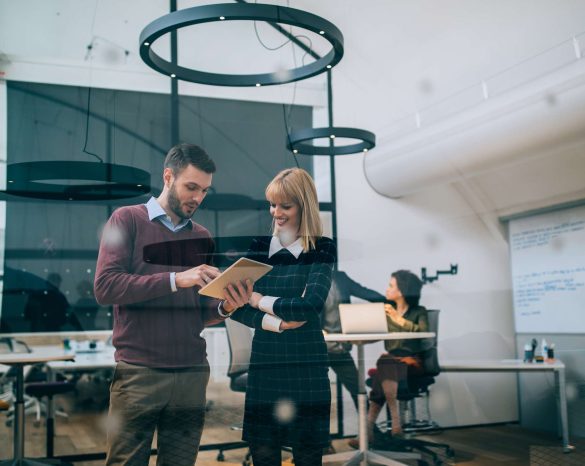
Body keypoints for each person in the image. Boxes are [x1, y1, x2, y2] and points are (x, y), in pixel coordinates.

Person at [94, 143, 252, 466]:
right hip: (139, 374)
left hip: (192, 375)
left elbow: (200, 311)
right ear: (168, 176)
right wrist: (176, 279)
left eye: (205, 190)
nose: (198, 197)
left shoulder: (203, 237)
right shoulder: (127, 220)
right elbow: (105, 287)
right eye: (191, 187)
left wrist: (226, 307)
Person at [229, 168, 336, 466]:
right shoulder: (259, 248)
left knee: (308, 454)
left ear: (304, 206)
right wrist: (275, 320)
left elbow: (309, 306)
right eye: (273, 204)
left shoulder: (322, 248)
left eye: (285, 206)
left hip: (307, 367)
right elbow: (234, 305)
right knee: (263, 453)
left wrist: (259, 299)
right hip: (267, 364)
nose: (276, 212)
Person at [349, 270, 427, 448]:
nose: (387, 289)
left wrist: (397, 318)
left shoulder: (419, 312)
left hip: (412, 362)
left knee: (384, 365)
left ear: (401, 291)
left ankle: (368, 431)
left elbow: (422, 333)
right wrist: (358, 340)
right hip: (392, 363)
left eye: (391, 286)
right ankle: (392, 426)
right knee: (385, 363)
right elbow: (380, 334)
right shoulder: (387, 312)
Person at [323, 271, 385, 410]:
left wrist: (391, 302)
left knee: (358, 390)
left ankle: (369, 429)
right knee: (314, 393)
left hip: (339, 349)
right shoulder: (305, 277)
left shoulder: (340, 278)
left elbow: (365, 293)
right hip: (315, 350)